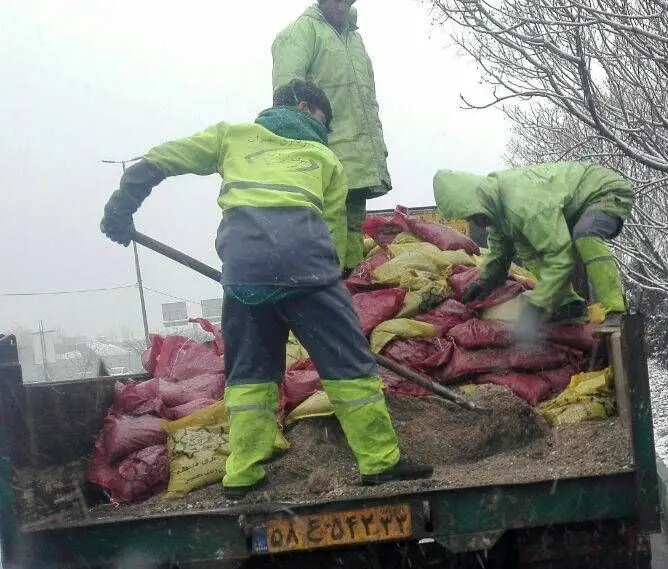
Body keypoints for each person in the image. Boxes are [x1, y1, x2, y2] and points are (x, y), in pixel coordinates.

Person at [99, 80, 430, 499]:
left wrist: (121, 207)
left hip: (245, 275)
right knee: (349, 366)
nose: (324, 132)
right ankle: (380, 461)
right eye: (323, 121)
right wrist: (331, 289)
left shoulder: (231, 137)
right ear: (305, 107)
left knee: (250, 376)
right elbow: (330, 234)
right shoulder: (324, 158)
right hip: (309, 273)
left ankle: (243, 472)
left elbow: (161, 160)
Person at [433, 163, 634, 336]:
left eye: (474, 214)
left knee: (585, 235)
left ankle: (615, 307)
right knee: (528, 250)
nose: (475, 221)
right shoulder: (499, 214)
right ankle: (569, 304)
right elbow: (500, 253)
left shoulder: (524, 205)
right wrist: (485, 282)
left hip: (602, 190)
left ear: (480, 200)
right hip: (573, 205)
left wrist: (538, 305)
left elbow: (560, 255)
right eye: (469, 218)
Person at [272, 0, 391, 274]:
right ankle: (327, 293)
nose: (343, 4)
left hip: (359, 160)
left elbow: (366, 101)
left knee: (352, 228)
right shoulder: (300, 33)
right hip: (324, 156)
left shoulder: (355, 39)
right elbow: (287, 100)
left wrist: (376, 152)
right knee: (326, 233)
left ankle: (349, 292)